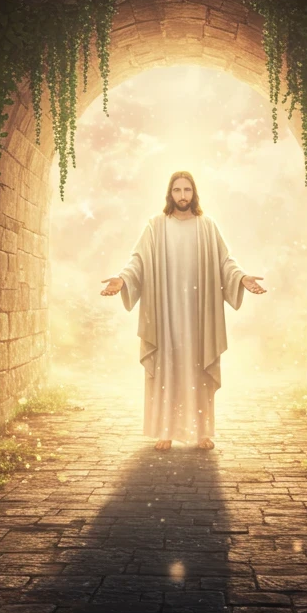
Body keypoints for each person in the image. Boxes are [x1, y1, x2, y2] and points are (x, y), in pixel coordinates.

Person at [100, 171, 266, 451]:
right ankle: (165, 430)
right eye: (177, 190)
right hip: (165, 313)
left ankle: (202, 433)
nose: (182, 196)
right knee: (168, 370)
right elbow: (138, 261)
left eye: (187, 190)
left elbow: (225, 261)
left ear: (194, 193)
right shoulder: (155, 226)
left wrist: (241, 278)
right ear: (170, 193)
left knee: (199, 371)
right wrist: (122, 279)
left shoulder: (207, 226)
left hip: (199, 314)